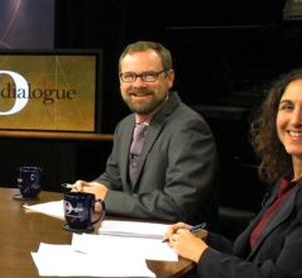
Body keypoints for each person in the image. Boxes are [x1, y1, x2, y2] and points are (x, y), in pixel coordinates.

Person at [165, 67, 302, 277]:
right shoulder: (289, 181)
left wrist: (202, 254)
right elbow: (252, 255)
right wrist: (203, 239)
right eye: (287, 107)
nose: (295, 120)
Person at [72, 41, 218, 224]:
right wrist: (92, 189)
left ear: (169, 78)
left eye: (149, 76)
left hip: (176, 244)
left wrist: (106, 198)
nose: (138, 84)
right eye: (129, 76)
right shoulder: (125, 126)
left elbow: (176, 205)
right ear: (120, 80)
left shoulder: (189, 128)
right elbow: (114, 177)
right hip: (130, 232)